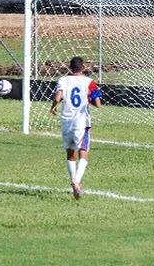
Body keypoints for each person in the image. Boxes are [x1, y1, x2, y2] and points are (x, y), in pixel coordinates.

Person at [50, 56, 102, 199]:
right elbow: (98, 103)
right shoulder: (89, 82)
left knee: (70, 152)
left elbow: (57, 97)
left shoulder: (63, 80)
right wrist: (89, 100)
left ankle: (74, 181)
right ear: (83, 67)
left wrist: (53, 107)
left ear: (70, 67)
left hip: (66, 120)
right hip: (81, 121)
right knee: (84, 151)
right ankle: (76, 180)